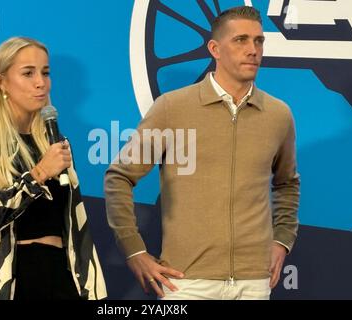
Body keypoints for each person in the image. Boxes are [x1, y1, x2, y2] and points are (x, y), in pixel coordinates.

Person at [105, 6, 300, 300]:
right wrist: (133, 250)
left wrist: (282, 240)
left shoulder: (278, 114)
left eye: (259, 41)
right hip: (186, 282)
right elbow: (119, 177)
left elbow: (287, 183)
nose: (253, 50)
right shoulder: (173, 108)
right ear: (214, 49)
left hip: (254, 283)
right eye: (241, 40)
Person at [0, 36, 107, 300]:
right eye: (28, 73)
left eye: (45, 73)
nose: (41, 83)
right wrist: (38, 175)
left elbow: (75, 225)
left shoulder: (54, 140)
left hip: (61, 277)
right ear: (2, 81)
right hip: (9, 283)